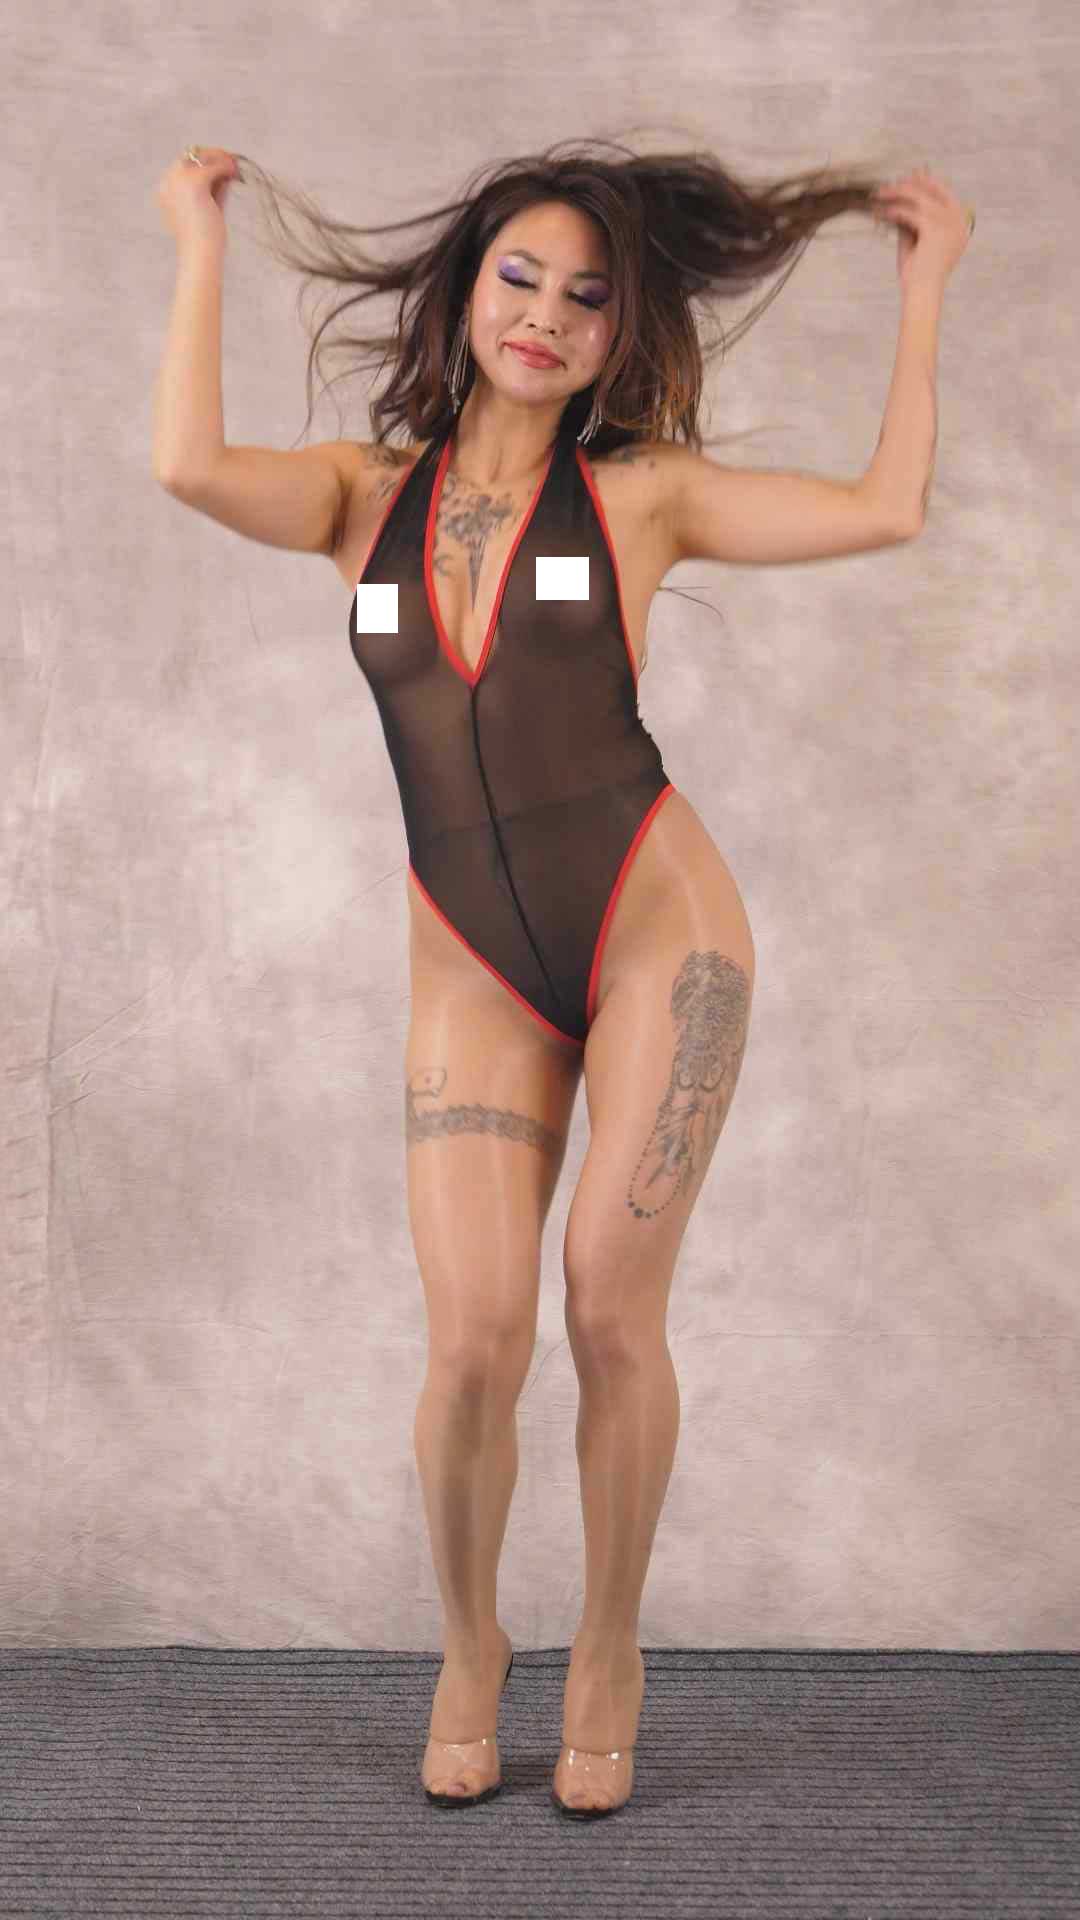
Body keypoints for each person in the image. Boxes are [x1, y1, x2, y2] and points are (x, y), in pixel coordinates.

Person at [153, 139, 973, 1816]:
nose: (545, 315)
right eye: (519, 278)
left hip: (659, 929)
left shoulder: (642, 497)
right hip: (471, 962)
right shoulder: (355, 495)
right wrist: (196, 238)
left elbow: (887, 509)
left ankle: (609, 1646)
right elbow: (184, 465)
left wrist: (928, 286)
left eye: (587, 298)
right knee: (472, 1339)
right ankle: (473, 1643)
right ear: (468, 292)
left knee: (607, 1300)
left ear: (619, 335)